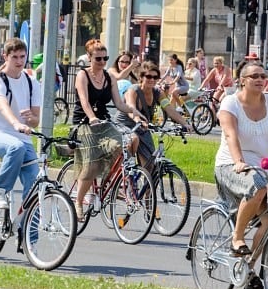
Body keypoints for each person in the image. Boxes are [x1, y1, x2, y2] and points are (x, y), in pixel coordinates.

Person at [215, 60, 268, 289]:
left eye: (263, 76)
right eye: (254, 76)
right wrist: (239, 161)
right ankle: (237, 238)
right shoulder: (230, 102)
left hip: (261, 168)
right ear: (243, 80)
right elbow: (231, 135)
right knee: (259, 186)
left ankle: (248, 267)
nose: (261, 79)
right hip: (230, 165)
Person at [71, 39, 146, 218]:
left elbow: (119, 104)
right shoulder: (82, 75)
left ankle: (107, 182)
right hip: (84, 122)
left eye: (105, 58)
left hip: (103, 121)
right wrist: (92, 118)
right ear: (89, 58)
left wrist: (135, 111)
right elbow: (84, 101)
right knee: (91, 165)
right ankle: (79, 201)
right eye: (98, 59)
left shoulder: (109, 77)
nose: (103, 62)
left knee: (126, 142)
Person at [0, 38, 40, 208]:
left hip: (23, 138)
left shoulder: (31, 82)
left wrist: (31, 119)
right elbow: (2, 105)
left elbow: (36, 121)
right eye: (15, 57)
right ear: (5, 56)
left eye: (23, 56)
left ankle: (27, 231)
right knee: (16, 147)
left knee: (34, 185)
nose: (20, 61)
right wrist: (17, 124)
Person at [117, 61, 190, 170]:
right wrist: (137, 119)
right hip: (125, 125)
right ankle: (124, 173)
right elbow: (131, 108)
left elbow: (170, 109)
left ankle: (146, 185)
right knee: (133, 140)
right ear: (141, 77)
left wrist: (185, 123)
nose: (152, 80)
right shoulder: (133, 90)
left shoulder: (157, 92)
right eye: (149, 76)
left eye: (155, 77)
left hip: (143, 126)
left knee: (150, 166)